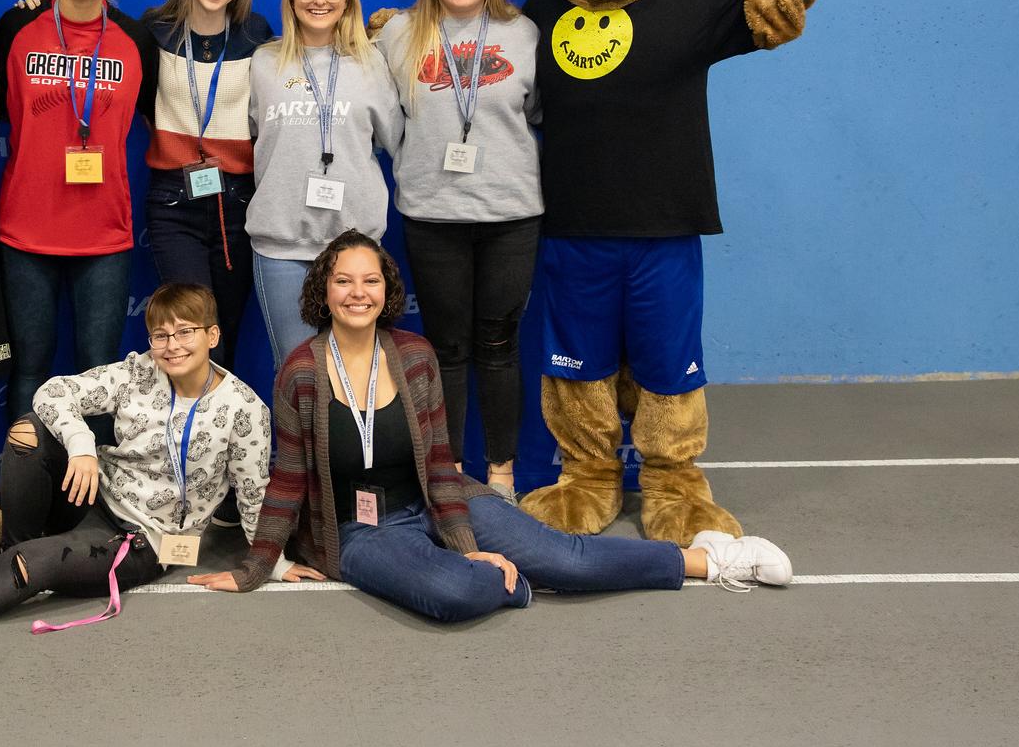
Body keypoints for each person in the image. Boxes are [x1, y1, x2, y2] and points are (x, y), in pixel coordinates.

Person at [188, 232, 792, 623]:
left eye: (370, 280)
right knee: (457, 597)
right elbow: (288, 479)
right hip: (360, 533)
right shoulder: (299, 372)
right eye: (343, 280)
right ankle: (512, 580)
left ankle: (706, 561)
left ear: (386, 290)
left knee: (569, 561)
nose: (357, 292)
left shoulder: (416, 356)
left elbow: (441, 468)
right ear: (323, 290)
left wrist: (470, 547)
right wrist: (255, 566)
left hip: (435, 503)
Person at [0, 283, 271, 643]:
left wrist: (268, 562)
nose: (172, 346)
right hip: (95, 499)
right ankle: (15, 550)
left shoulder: (244, 409)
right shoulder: (139, 372)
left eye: (185, 332)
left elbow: (254, 495)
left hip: (145, 541)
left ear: (212, 335)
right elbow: (51, 393)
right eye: (160, 335)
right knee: (29, 431)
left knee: (36, 563)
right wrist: (82, 446)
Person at [373, 0, 543, 498]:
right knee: (445, 347)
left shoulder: (525, 33)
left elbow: (542, 113)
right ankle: (447, 476)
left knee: (498, 345)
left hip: (511, 213)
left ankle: (500, 474)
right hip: (432, 212)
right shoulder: (398, 35)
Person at [0, 0, 158, 419]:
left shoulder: (137, 41)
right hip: (27, 228)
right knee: (29, 369)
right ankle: (28, 496)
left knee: (100, 372)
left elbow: (150, 115)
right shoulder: (18, 25)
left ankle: (98, 499)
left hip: (103, 234)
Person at [247, 0, 403, 372]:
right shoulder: (263, 62)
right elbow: (248, 135)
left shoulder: (374, 62)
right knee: (296, 370)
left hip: (355, 245)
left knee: (354, 369)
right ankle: (301, 444)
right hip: (281, 244)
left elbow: (396, 139)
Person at [141, 0, 275, 375]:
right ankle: (185, 439)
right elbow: (137, 101)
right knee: (188, 329)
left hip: (238, 202)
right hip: (174, 202)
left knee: (226, 330)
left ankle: (221, 440)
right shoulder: (154, 30)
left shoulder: (256, 34)